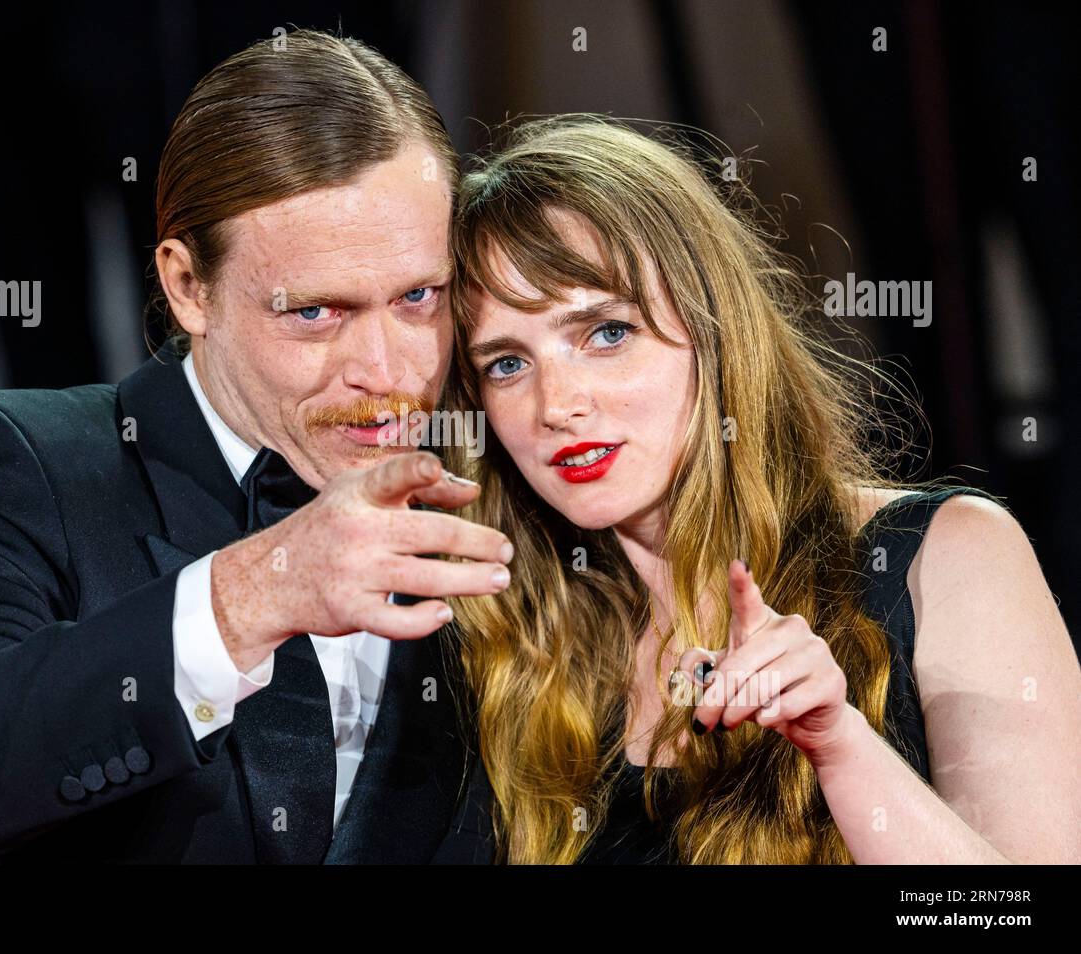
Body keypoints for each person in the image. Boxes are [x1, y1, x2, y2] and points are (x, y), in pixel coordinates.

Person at [0, 29, 514, 864]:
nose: (384, 370)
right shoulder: (8, 464)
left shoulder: (511, 492)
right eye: (314, 313)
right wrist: (252, 596)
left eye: (418, 297)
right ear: (188, 286)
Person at [432, 116, 1081, 864]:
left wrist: (841, 746)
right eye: (507, 364)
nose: (556, 404)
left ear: (716, 330)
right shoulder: (511, 634)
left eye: (606, 333)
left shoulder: (947, 556)